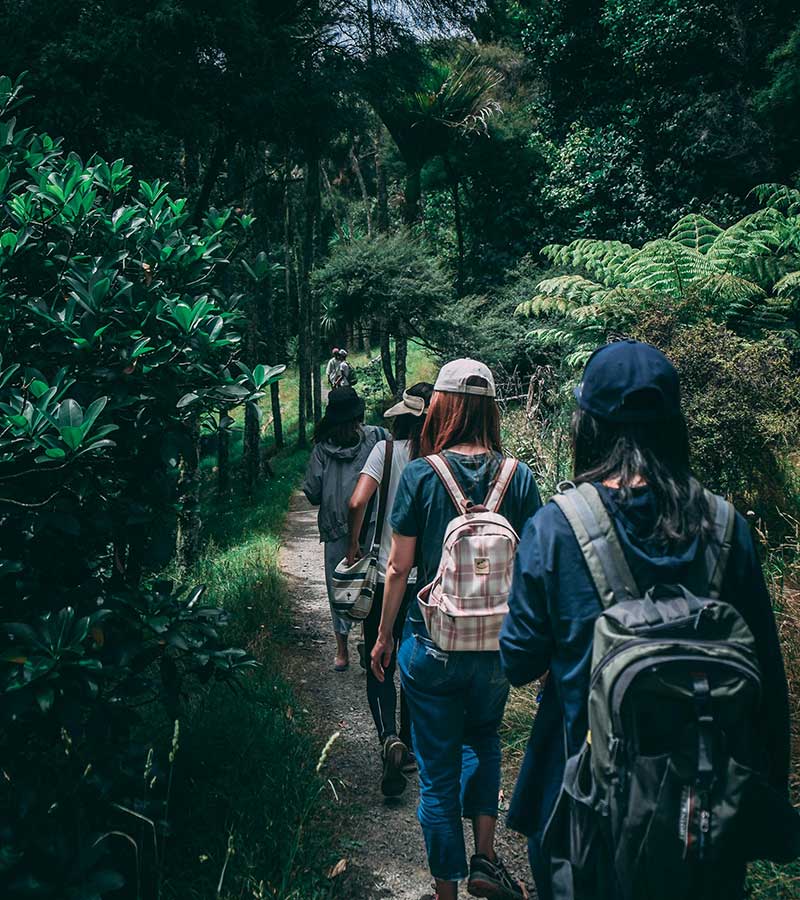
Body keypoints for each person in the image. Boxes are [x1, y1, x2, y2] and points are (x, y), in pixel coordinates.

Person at [499, 340, 791, 900]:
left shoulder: (557, 528)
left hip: (586, 819)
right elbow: (768, 690)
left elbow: (519, 660)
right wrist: (760, 807)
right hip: (703, 817)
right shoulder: (727, 528)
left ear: (588, 425)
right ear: (674, 426)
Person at [371, 359, 542, 900]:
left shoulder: (422, 473)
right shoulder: (519, 475)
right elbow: (535, 564)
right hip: (495, 647)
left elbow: (397, 569)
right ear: (491, 409)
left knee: (437, 773)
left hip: (432, 642)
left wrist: (382, 637)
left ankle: (447, 892)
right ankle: (485, 859)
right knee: (484, 737)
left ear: (440, 406)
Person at [347, 382, 434, 798]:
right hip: (427, 585)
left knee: (378, 660)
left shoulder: (384, 452)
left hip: (385, 577)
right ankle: (410, 743)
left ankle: (387, 737)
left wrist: (353, 545)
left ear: (400, 417)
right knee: (412, 663)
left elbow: (355, 502)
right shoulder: (437, 461)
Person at [303, 387, 388, 671]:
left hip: (336, 527)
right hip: (373, 524)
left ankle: (342, 651)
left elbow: (313, 492)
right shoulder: (377, 437)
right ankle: (367, 638)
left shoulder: (321, 450)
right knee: (372, 583)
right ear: (358, 415)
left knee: (339, 586)